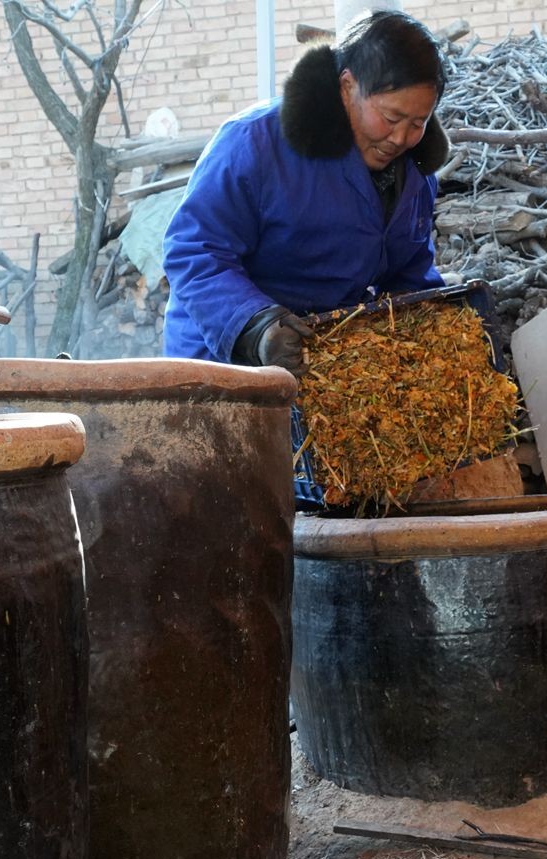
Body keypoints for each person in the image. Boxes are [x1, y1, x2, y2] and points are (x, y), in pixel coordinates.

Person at [161, 9, 448, 503]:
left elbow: (409, 272)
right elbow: (195, 251)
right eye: (392, 117)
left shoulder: (412, 176)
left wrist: (433, 334)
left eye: (418, 122)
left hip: (320, 374)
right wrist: (256, 326)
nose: (401, 138)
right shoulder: (255, 143)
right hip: (223, 366)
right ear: (346, 86)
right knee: (230, 518)